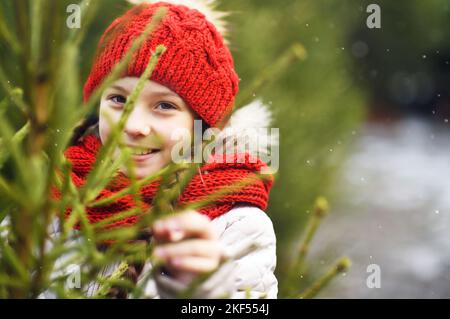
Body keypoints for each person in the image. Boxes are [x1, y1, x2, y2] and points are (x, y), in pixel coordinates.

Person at [48, 1, 277, 299]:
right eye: (118, 99)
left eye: (164, 105)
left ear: (201, 126)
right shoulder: (54, 200)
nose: (134, 126)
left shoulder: (236, 224)